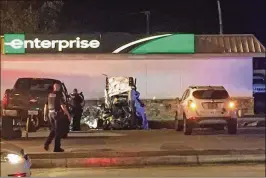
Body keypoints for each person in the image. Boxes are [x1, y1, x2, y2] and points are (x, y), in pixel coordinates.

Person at [43, 83, 71, 152]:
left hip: (50, 114)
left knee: (53, 130)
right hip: (57, 114)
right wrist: (68, 114)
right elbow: (62, 105)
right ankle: (57, 148)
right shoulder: (59, 95)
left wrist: (45, 115)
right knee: (58, 132)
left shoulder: (49, 95)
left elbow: (46, 106)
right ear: (58, 87)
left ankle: (46, 143)